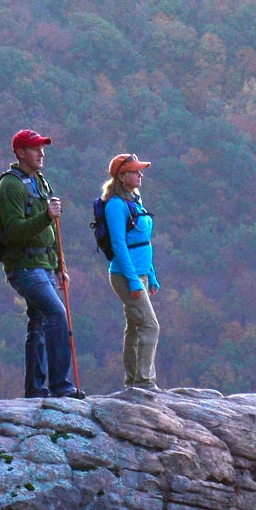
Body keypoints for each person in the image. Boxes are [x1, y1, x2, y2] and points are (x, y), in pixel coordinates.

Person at [0, 128, 78, 397]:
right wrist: (46, 217)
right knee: (56, 314)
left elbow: (49, 235)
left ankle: (35, 390)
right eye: (35, 148)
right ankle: (61, 386)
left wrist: (60, 267)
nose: (41, 153)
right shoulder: (10, 186)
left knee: (38, 324)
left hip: (43, 265)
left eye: (42, 148)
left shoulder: (40, 181)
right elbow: (14, 231)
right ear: (20, 152)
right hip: (24, 267)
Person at [95, 151, 160, 392]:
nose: (140, 174)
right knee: (150, 326)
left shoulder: (135, 199)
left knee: (135, 326)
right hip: (125, 275)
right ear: (122, 176)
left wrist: (150, 275)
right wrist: (134, 280)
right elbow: (119, 245)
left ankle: (133, 382)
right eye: (134, 171)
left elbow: (144, 240)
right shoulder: (115, 205)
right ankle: (144, 382)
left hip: (139, 273)